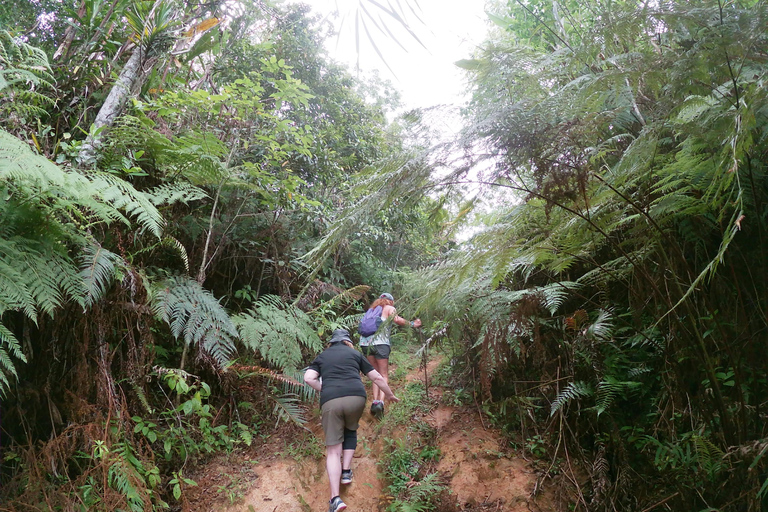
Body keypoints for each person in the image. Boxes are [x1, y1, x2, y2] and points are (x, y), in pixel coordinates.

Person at [304, 328, 400, 512]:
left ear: (331, 342)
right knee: (350, 430)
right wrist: (389, 395)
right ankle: (346, 472)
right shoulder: (355, 353)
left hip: (331, 400)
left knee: (333, 451)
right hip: (356, 397)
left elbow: (308, 378)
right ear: (348, 341)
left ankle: (335, 499)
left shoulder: (323, 356)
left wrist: (324, 388)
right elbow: (377, 377)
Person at [359, 292, 421, 416]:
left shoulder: (371, 310)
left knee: (374, 374)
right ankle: (381, 403)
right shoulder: (389, 308)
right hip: (381, 344)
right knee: (383, 374)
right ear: (391, 301)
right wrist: (413, 324)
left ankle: (374, 401)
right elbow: (397, 319)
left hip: (365, 344)